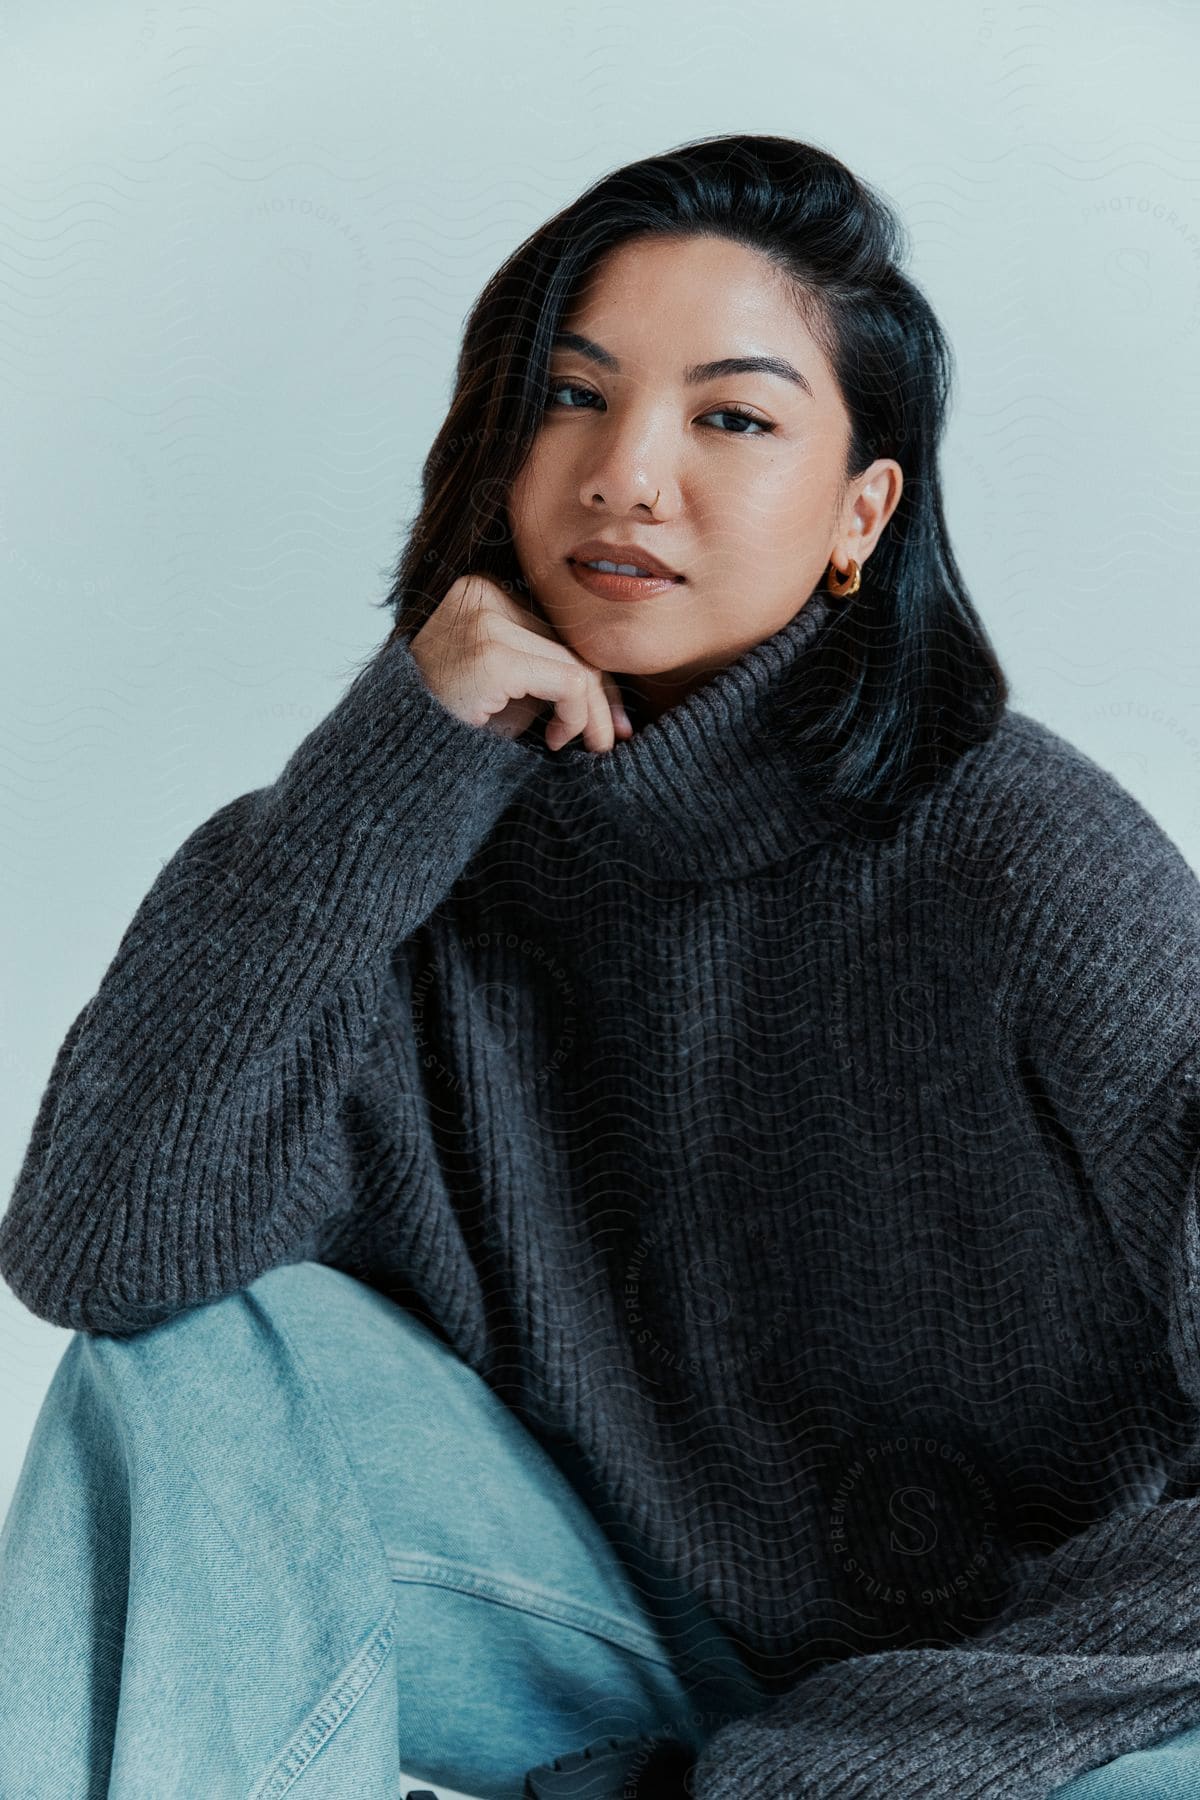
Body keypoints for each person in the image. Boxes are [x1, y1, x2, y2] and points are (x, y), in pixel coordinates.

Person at [1, 131, 1198, 1800]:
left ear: (864, 512)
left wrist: (804, 1775)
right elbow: (98, 1253)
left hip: (1043, 1694)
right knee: (189, 1362)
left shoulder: (1024, 851)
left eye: (731, 417)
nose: (628, 474)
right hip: (617, 1628)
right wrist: (391, 769)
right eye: (571, 397)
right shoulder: (388, 837)